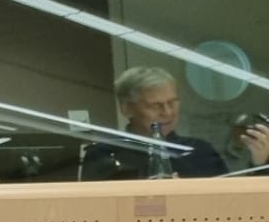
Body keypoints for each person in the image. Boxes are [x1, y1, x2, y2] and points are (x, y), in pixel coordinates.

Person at [80, 67, 227, 180]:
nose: (168, 112)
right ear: (127, 108)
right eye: (156, 106)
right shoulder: (103, 155)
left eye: (172, 103)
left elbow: (228, 202)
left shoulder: (199, 151)